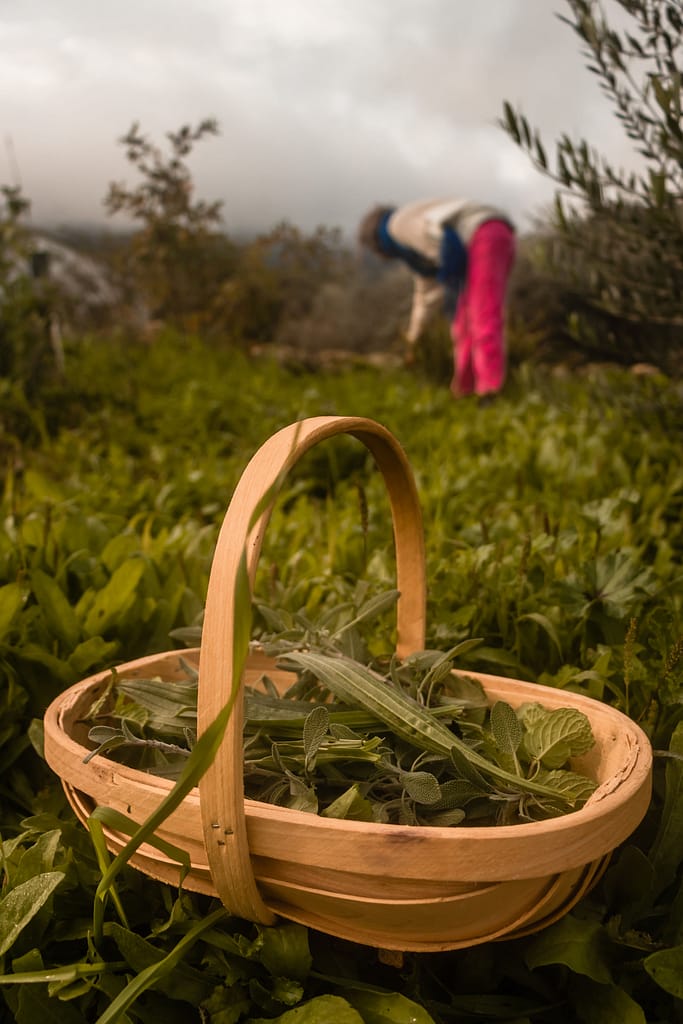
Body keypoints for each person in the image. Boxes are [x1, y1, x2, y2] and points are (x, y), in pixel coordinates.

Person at [358, 198, 516, 400]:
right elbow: (425, 298)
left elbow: (444, 241)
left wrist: (450, 283)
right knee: (463, 324)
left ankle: (490, 391)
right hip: (488, 237)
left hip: (484, 234)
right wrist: (413, 341)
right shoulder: (415, 254)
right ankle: (465, 390)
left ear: (376, 241)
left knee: (482, 316)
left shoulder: (397, 225)